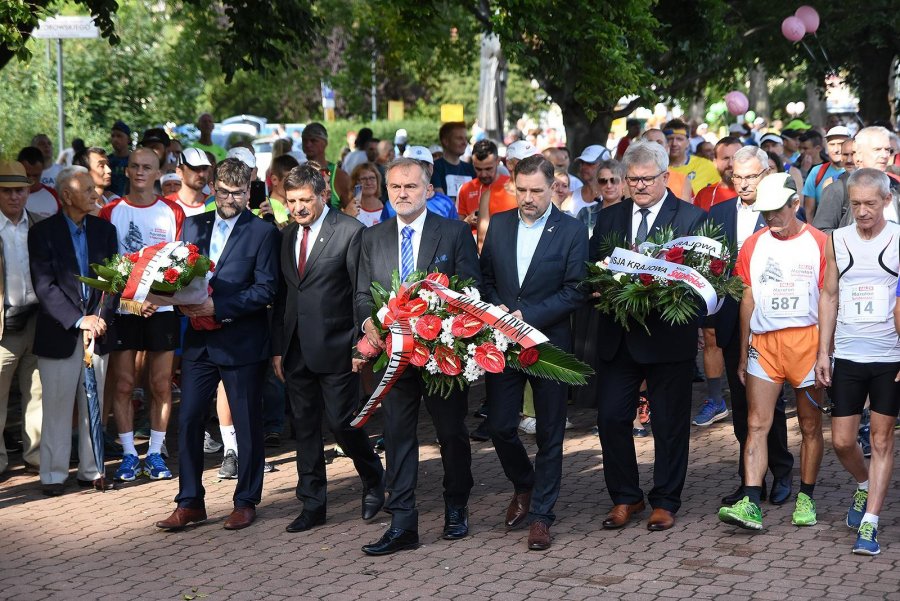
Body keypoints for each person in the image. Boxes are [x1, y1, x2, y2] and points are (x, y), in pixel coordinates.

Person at [355, 157, 480, 555]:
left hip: (441, 354)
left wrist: (443, 324)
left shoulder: (455, 233)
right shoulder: (372, 238)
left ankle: (456, 505)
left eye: (410, 186)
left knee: (451, 434)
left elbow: (472, 290)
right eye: (395, 187)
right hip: (394, 356)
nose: (402, 194)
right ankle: (403, 522)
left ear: (428, 190)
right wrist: (367, 324)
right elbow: (361, 294)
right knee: (397, 436)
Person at [155, 157, 279, 532]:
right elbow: (175, 276)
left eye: (238, 193)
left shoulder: (263, 232)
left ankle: (246, 500)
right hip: (198, 341)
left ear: (248, 190)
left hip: (242, 341)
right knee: (190, 419)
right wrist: (157, 297)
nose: (229, 199)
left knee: (245, 422)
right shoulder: (193, 224)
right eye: (223, 191)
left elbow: (266, 289)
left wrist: (218, 306)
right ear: (212, 187)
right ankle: (190, 501)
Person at [589, 141, 707, 531]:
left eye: (646, 179)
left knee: (670, 424)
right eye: (632, 180)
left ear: (664, 177)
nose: (638, 186)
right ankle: (625, 497)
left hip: (668, 338)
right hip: (618, 338)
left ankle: (665, 499)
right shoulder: (609, 218)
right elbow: (595, 268)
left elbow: (705, 280)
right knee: (610, 418)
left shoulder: (691, 219)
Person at [479, 155, 587, 551]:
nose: (527, 198)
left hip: (549, 345)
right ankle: (524, 483)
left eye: (536, 191)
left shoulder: (572, 230)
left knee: (550, 433)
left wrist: (529, 316)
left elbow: (575, 289)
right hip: (504, 343)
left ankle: (542, 515)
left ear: (553, 186)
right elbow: (485, 276)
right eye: (521, 190)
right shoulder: (501, 224)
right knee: (500, 426)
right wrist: (497, 310)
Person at [270, 164, 385, 533]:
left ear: (322, 195)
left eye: (305, 199)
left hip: (338, 347)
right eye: (291, 201)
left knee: (342, 422)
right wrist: (278, 348)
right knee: (304, 427)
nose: (298, 208)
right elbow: (285, 295)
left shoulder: (350, 231)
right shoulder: (287, 236)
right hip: (295, 348)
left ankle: (373, 476)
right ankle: (313, 503)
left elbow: (360, 292)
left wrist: (360, 344)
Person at [718, 172, 826, 531]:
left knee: (810, 426)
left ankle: (806, 498)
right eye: (764, 213)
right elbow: (747, 299)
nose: (770, 219)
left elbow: (829, 298)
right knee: (755, 423)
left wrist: (826, 350)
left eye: (777, 211)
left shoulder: (820, 242)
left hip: (806, 341)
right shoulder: (752, 245)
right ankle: (750, 502)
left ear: (795, 204)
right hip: (764, 344)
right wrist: (743, 350)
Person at [816, 169, 900, 556]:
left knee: (882, 440)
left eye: (870, 203)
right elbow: (830, 295)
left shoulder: (898, 238)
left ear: (886, 201)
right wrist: (823, 352)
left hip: (889, 357)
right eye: (856, 204)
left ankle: (870, 522)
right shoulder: (838, 239)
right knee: (843, 441)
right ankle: (864, 484)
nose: (863, 211)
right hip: (848, 354)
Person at [707, 147, 793, 506]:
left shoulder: (780, 213)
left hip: (772, 323)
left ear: (767, 173)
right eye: (737, 176)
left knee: (770, 406)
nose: (742, 184)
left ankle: (783, 470)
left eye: (751, 177)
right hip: (732, 322)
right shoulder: (718, 213)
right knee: (742, 406)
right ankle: (749, 480)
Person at [29, 166, 118, 495]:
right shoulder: (42, 233)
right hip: (60, 333)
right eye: (88, 190)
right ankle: (52, 475)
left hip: (98, 332)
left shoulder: (104, 231)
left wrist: (100, 316)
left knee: (93, 406)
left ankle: (92, 470)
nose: (96, 195)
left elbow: (113, 280)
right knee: (57, 407)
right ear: (66, 196)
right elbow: (45, 286)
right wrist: (80, 320)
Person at [99, 147, 185, 482]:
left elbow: (181, 266)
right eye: (134, 166)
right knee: (122, 384)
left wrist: (156, 297)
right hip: (124, 310)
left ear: (158, 171)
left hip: (162, 308)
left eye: (146, 167)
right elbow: (106, 269)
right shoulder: (110, 211)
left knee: (161, 384)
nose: (139, 172)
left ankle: (156, 454)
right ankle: (129, 455)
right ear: (127, 171)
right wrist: (134, 300)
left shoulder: (172, 211)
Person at [0, 160, 43, 477]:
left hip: (38, 320)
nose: (14, 197)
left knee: (37, 393)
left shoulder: (41, 224)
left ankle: (37, 456)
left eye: (20, 190)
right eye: (7, 191)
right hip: (3, 325)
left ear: (29, 191)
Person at [813, 126, 900, 234]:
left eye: (887, 150)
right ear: (858, 155)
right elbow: (820, 232)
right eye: (877, 149)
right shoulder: (838, 189)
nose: (884, 155)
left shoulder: (896, 186)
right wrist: (853, 243)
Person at [380, 147, 459, 221]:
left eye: (423, 165)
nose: (419, 169)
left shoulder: (446, 203)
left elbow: (453, 231)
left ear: (431, 168)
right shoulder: (391, 205)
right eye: (411, 165)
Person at [457, 140, 516, 233]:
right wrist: (468, 220)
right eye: (478, 169)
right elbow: (458, 226)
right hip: (472, 243)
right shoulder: (465, 189)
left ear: (498, 161)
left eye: (488, 169)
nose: (483, 174)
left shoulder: (513, 185)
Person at [301, 122, 351, 210]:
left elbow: (351, 210)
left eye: (313, 140)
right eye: (305, 140)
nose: (308, 144)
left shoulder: (339, 176)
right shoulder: (297, 172)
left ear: (325, 143)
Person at [664, 119, 720, 194]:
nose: (674, 143)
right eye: (670, 139)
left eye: (679, 139)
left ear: (688, 143)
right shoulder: (656, 170)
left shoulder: (706, 165)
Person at [801, 128, 846, 222]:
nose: (836, 149)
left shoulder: (859, 171)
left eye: (841, 144)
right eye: (832, 144)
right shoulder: (816, 172)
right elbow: (809, 211)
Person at [640, 129, 693, 202]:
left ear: (667, 148)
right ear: (640, 149)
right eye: (650, 143)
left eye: (659, 143)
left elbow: (685, 211)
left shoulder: (682, 180)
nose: (655, 147)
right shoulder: (632, 178)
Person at [693, 137, 742, 212]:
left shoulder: (757, 193)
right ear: (715, 162)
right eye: (725, 158)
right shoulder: (703, 195)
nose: (731, 164)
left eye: (736, 158)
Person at [431, 121, 475, 199]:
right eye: (459, 138)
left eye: (466, 139)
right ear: (446, 141)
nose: (465, 143)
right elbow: (441, 201)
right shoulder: (434, 168)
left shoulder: (470, 169)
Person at [164, 148, 212, 217]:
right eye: (194, 168)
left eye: (204, 168)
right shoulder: (165, 205)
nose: (201, 174)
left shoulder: (214, 203)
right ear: (179, 172)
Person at [17, 147, 59, 219]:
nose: (31, 179)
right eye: (27, 175)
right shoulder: (6, 196)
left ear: (43, 169)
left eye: (36, 175)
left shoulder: (54, 195)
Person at [351, 162, 384, 227]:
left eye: (372, 178)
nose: (368, 183)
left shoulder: (388, 209)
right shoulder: (351, 209)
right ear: (356, 182)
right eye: (363, 179)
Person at [108, 120, 132, 197]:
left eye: (119, 136)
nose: (115, 139)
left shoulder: (135, 161)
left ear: (128, 139)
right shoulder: (107, 161)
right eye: (113, 136)